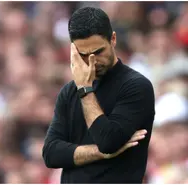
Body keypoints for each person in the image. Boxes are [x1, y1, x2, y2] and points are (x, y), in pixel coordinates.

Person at [42, 7, 155, 183]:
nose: (92, 61)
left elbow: (108, 142)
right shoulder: (69, 92)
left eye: (98, 52)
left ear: (113, 39)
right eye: (84, 55)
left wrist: (86, 89)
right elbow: (51, 153)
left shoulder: (136, 86)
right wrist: (99, 153)